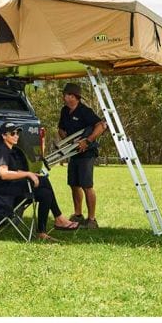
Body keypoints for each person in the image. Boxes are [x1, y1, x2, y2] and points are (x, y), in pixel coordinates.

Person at [0, 122, 79, 241]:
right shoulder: (2, 150)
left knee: (45, 194)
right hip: (5, 192)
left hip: (15, 187)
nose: (16, 136)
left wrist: (32, 174)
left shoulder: (13, 151)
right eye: (12, 133)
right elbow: (4, 174)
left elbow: (15, 170)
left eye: (17, 133)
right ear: (3, 136)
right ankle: (59, 218)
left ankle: (42, 232)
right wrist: (28, 174)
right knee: (44, 181)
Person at [57, 82, 107, 229]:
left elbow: (101, 126)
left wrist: (87, 140)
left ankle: (92, 219)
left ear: (74, 97)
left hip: (87, 153)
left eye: (67, 95)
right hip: (73, 153)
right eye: (64, 95)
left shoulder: (85, 111)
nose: (64, 97)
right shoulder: (64, 111)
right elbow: (60, 128)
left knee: (87, 185)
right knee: (74, 184)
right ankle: (78, 215)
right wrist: (65, 139)